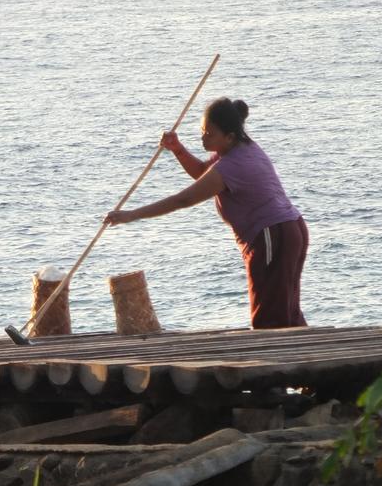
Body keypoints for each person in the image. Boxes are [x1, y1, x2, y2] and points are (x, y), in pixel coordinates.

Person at [105, 97, 308, 329]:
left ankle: (280, 362)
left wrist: (131, 215)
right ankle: (305, 355)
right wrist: (178, 149)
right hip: (288, 228)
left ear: (229, 136)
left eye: (210, 134)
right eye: (202, 131)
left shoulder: (231, 165)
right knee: (286, 309)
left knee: (271, 316)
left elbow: (183, 199)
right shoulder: (241, 147)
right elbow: (203, 172)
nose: (203, 137)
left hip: (273, 234)